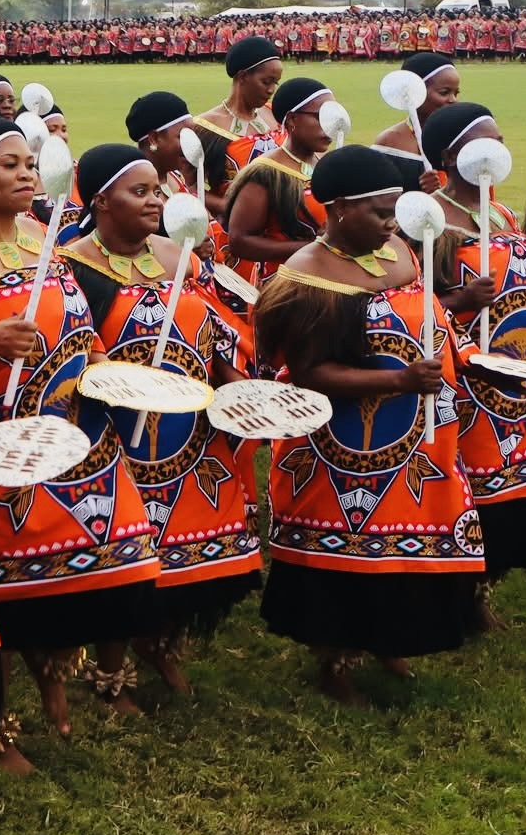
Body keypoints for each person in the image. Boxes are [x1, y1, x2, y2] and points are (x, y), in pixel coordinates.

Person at [0, 117, 158, 765]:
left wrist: (108, 370)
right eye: (10, 164)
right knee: (3, 592)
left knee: (120, 561)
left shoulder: (46, 237)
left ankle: (84, 676)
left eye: (30, 163)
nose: (26, 174)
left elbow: (80, 325)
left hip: (81, 438)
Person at [254, 145, 484, 702]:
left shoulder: (397, 249)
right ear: (336, 208)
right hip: (341, 450)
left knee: (409, 535)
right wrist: (399, 381)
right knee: (346, 551)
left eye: (393, 210)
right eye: (378, 212)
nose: (390, 223)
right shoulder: (309, 275)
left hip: (416, 439)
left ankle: (390, 637)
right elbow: (310, 372)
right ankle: (334, 660)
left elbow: (422, 317)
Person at [62, 145, 260, 695]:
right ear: (101, 201)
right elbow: (69, 348)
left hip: (187, 438)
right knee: (120, 556)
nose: (156, 201)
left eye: (157, 190)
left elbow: (217, 329)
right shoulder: (71, 267)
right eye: (140, 191)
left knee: (189, 552)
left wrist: (236, 385)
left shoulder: (181, 257)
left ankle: (164, 643)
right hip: (111, 437)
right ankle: (110, 669)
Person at [419, 104, 526, 608]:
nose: (498, 150)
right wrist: (460, 300)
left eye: (501, 140)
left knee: (523, 495)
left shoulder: (501, 213)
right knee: (478, 491)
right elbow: (406, 307)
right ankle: (461, 592)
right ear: (449, 156)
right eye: (484, 141)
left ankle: (488, 584)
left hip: (525, 383)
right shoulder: (429, 221)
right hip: (472, 388)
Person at [223, 77, 336, 292]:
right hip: (286, 290)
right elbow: (240, 242)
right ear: (292, 119)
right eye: (321, 117)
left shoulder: (327, 163)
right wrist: (315, 247)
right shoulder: (266, 173)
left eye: (333, 117)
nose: (330, 126)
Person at [372, 52, 463, 190]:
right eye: (444, 92)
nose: (453, 100)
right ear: (414, 93)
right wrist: (422, 195)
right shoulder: (390, 142)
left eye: (456, 93)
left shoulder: (461, 137)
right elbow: (379, 199)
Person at [194, 35, 285, 167]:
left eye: (275, 83)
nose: (271, 90)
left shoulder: (275, 113)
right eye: (266, 82)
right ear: (242, 76)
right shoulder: (205, 126)